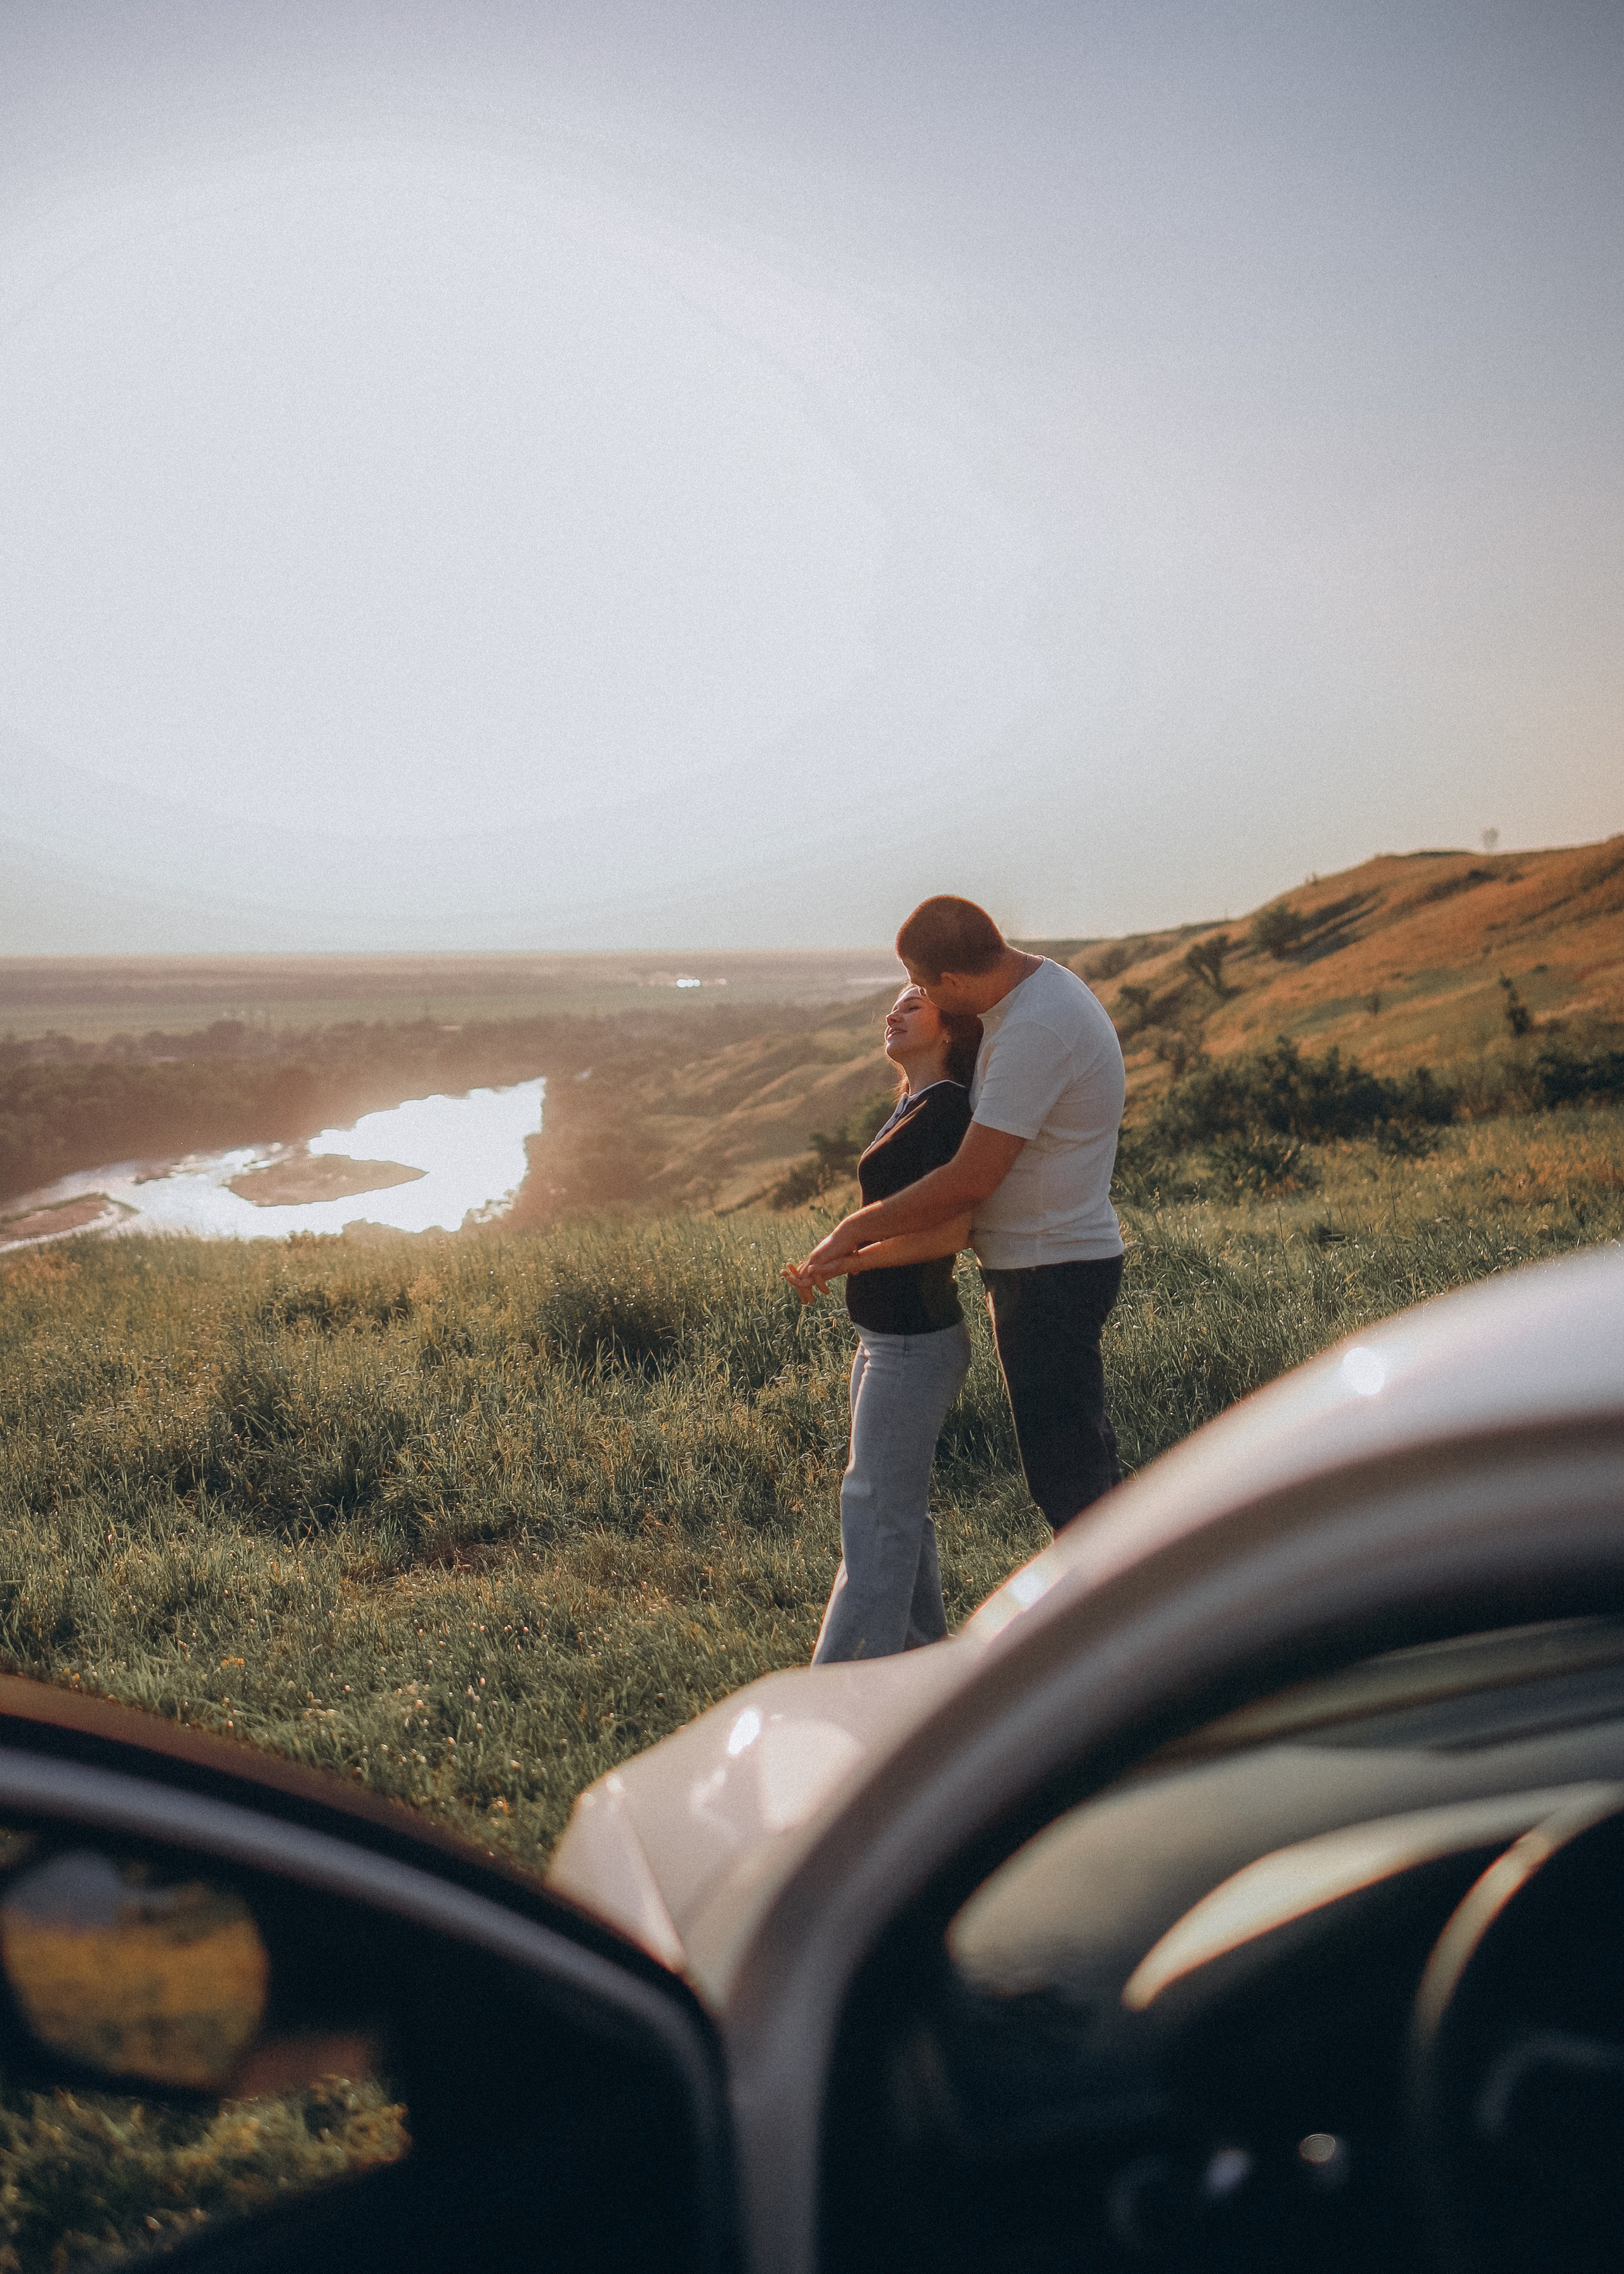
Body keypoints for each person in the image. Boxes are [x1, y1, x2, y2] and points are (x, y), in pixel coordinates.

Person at [801, 896, 1127, 1532]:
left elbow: (970, 1178)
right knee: (1083, 1463)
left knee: (1069, 1481)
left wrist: (852, 1229)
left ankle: (1122, 1618)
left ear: (950, 982)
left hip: (1050, 1270)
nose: (916, 996)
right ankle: (1147, 1595)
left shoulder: (1036, 1027)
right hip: (1042, 1262)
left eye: (923, 986)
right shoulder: (1034, 999)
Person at [783, 983, 983, 1663]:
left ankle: (841, 1686)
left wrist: (850, 1261)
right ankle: (925, 1660)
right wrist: (844, 1256)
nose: (891, 1014)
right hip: (886, 1340)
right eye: (892, 1005)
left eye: (911, 1005)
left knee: (875, 1511)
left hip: (914, 1341)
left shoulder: (949, 1109)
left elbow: (951, 1230)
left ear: (949, 1026)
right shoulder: (913, 1103)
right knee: (896, 1512)